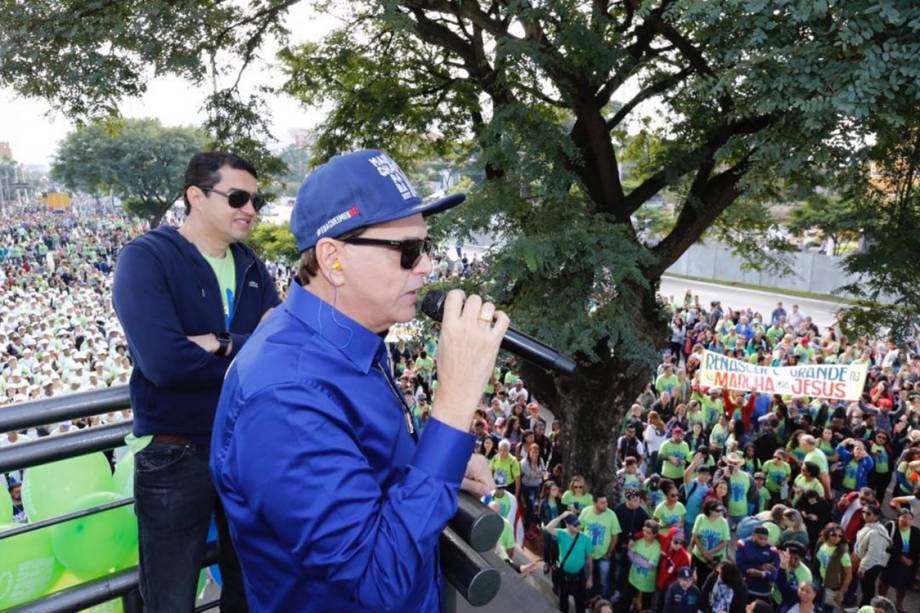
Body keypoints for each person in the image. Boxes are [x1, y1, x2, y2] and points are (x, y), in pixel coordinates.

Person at [209, 150, 507, 611]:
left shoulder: (346, 341)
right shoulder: (285, 394)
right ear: (334, 259)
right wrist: (454, 401)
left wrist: (437, 464)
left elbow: (364, 469)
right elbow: (376, 583)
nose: (427, 266)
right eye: (407, 251)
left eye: (427, 247)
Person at [113, 151, 281, 612]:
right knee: (169, 599)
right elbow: (163, 362)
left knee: (250, 590)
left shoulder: (249, 263)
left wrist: (218, 342)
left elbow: (279, 346)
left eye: (255, 199)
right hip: (174, 454)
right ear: (195, 197)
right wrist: (245, 348)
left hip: (246, 449)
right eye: (238, 197)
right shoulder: (147, 259)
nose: (250, 209)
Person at [545, 511, 593, 613]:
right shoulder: (561, 534)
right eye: (575, 525)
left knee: (580, 603)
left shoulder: (586, 539)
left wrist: (590, 577)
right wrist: (562, 516)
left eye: (579, 523)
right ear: (567, 525)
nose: (578, 526)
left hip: (579, 578)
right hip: (564, 576)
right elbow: (548, 528)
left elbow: (589, 559)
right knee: (563, 602)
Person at [578, 493, 621, 600]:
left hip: (604, 556)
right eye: (602, 503)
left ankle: (603, 602)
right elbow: (580, 529)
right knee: (588, 577)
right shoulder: (585, 511)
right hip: (588, 554)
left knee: (604, 581)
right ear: (594, 503)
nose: (605, 505)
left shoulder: (611, 515)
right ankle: (588, 600)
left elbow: (615, 535)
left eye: (606, 502)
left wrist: (609, 553)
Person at [878, 508, 920, 613]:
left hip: (909, 563)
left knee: (903, 585)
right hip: (891, 560)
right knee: (885, 581)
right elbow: (884, 544)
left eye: (910, 519)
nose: (907, 521)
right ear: (898, 518)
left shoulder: (916, 532)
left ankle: (899, 604)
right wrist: (901, 557)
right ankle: (881, 602)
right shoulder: (891, 527)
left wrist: (911, 561)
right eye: (904, 517)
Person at [854, 503, 891, 607]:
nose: (865, 515)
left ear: (876, 517)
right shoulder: (870, 526)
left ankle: (864, 609)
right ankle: (862, 607)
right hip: (869, 563)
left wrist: (863, 567)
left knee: (868, 590)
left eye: (868, 513)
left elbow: (873, 553)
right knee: (866, 589)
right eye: (863, 512)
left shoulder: (876, 532)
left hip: (871, 565)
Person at [735, 525, 780, 603]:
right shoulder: (743, 544)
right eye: (760, 538)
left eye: (765, 539)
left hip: (762, 592)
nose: (763, 541)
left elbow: (775, 573)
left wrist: (762, 574)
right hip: (744, 588)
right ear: (753, 536)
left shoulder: (772, 550)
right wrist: (759, 567)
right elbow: (739, 565)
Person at [815, 523, 852, 612]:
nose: (837, 538)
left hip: (833, 587)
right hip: (819, 580)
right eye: (834, 535)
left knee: (827, 609)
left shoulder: (843, 554)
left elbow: (848, 575)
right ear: (827, 533)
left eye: (840, 536)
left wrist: (841, 592)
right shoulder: (821, 542)